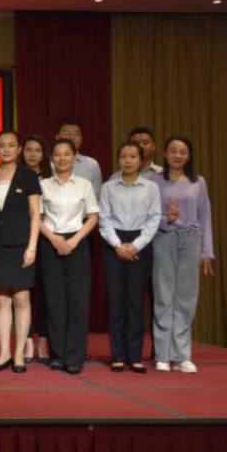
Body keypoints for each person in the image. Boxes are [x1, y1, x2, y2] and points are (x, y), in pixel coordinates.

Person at [152, 136, 215, 374]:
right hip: (164, 238)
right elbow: (149, 216)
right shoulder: (155, 182)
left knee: (186, 298)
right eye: (173, 151)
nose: (178, 155)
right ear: (165, 154)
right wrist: (165, 220)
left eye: (183, 152)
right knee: (164, 295)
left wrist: (207, 250)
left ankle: (181, 355)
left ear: (188, 156)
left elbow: (205, 216)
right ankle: (162, 355)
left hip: (191, 240)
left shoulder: (198, 182)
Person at [38, 138, 100, 375]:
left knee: (78, 302)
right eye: (57, 154)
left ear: (75, 157)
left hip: (77, 243)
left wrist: (75, 239)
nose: (62, 158)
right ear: (51, 158)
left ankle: (75, 357)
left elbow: (93, 216)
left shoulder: (84, 184)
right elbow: (37, 217)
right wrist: (53, 238)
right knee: (54, 302)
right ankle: (58, 355)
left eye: (67, 154)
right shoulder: (43, 184)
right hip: (50, 242)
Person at [99, 141, 160, 373]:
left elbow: (154, 219)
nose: (128, 160)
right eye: (123, 156)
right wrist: (118, 245)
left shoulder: (151, 187)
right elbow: (104, 218)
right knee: (116, 301)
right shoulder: (108, 187)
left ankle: (135, 356)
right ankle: (118, 355)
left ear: (141, 160)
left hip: (140, 243)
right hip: (113, 243)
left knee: (136, 301)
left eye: (133, 156)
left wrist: (135, 246)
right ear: (119, 159)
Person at [0, 130, 42, 374]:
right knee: (1, 300)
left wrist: (32, 246)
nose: (6, 149)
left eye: (11, 145)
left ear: (19, 149)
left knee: (21, 298)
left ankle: (19, 352)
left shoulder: (27, 175)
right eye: (2, 145)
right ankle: (4, 353)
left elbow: (35, 213)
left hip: (21, 245)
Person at [21, 134, 52, 363]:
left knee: (47, 292)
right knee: (25, 292)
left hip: (49, 240)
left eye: (37, 150)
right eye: (28, 150)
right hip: (23, 239)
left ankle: (44, 340)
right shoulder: (17, 175)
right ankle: (27, 340)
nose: (32, 154)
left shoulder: (51, 178)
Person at [56, 118, 103, 198]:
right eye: (66, 133)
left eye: (75, 133)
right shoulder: (49, 164)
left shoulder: (92, 164)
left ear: (81, 138)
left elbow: (96, 196)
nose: (71, 137)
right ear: (57, 137)